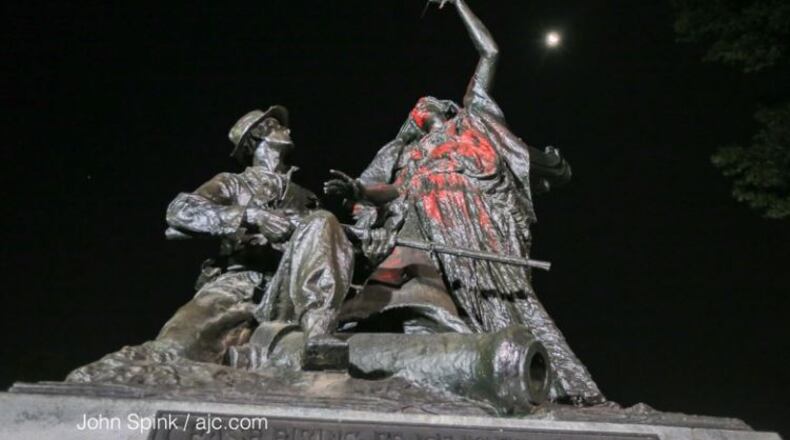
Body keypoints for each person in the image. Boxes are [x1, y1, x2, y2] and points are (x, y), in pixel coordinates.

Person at [324, 0, 602, 404]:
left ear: (444, 107)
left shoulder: (469, 121)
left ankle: (552, 382)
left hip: (471, 225)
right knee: (387, 276)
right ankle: (341, 338)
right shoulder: (411, 155)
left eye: (429, 101)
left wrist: (457, 4)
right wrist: (360, 192)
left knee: (498, 300)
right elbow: (396, 192)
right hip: (422, 224)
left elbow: (490, 52)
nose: (421, 105)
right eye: (414, 109)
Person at [164, 106, 354, 367]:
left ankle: (318, 332)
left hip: (288, 288)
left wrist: (370, 244)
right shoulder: (232, 183)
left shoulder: (306, 197)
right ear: (258, 135)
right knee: (175, 346)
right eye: (278, 126)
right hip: (238, 282)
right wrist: (253, 216)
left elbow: (330, 259)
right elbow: (180, 211)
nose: (287, 129)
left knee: (323, 221)